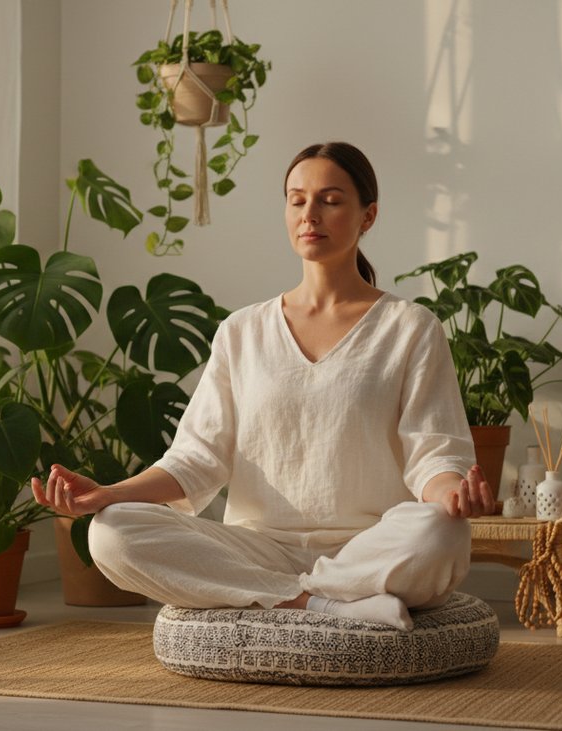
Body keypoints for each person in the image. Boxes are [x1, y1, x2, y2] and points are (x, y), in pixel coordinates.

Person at [31, 141, 494, 630]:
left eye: (330, 200)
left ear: (368, 216)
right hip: (257, 549)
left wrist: (451, 495)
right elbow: (195, 460)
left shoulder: (410, 326)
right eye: (297, 200)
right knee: (112, 533)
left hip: (370, 544)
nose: (310, 214)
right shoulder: (242, 330)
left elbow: (434, 452)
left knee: (441, 534)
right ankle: (321, 606)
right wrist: (107, 493)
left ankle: (293, 599)